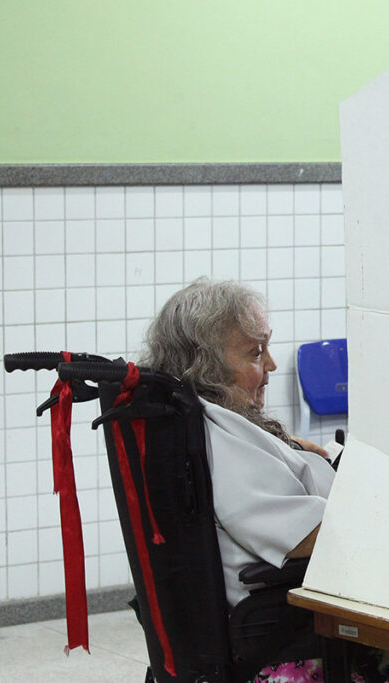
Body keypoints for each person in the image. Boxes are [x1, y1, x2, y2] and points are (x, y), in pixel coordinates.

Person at [142, 278, 334, 683]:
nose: (271, 366)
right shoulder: (217, 438)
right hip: (284, 638)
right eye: (255, 352)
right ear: (207, 365)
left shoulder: (203, 424)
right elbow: (305, 536)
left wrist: (288, 444)